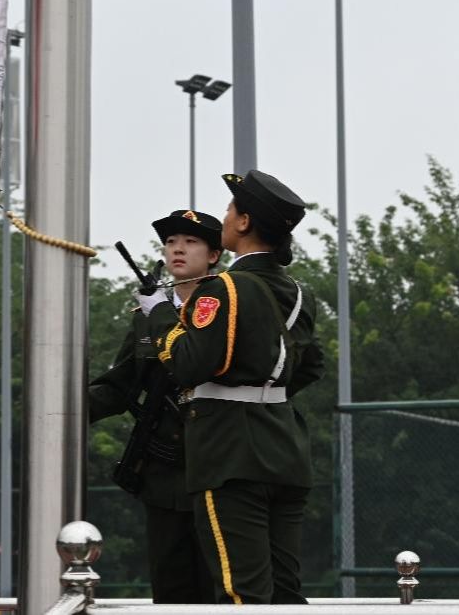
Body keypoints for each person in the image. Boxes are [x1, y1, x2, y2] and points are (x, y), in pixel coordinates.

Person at [149, 169, 323, 605]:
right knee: (285, 595)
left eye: (230, 210)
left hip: (229, 453)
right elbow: (309, 365)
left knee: (241, 593)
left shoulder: (223, 288)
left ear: (244, 222)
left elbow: (189, 364)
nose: (225, 217)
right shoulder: (299, 293)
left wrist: (159, 316)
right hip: (285, 447)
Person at [89, 209, 223, 604]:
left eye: (191, 242)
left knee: (218, 587)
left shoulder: (225, 309)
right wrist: (61, 408)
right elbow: (120, 385)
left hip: (218, 465)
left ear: (214, 255)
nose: (178, 249)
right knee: (170, 588)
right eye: (171, 242)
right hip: (164, 475)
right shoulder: (146, 317)